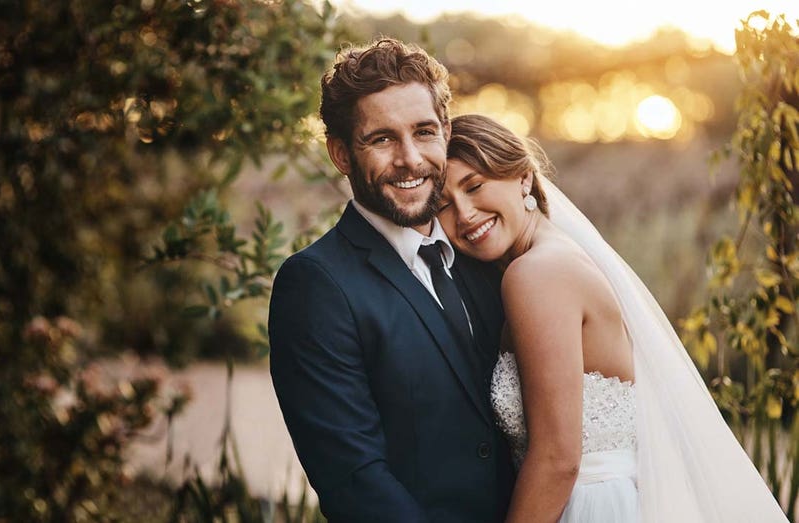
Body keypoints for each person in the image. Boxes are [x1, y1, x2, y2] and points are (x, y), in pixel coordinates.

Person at [438, 113, 789, 522]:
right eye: (444, 205)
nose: (463, 214)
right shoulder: (558, 257)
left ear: (523, 179)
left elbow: (557, 459)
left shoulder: (535, 274)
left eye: (474, 186)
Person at [269, 40, 515, 522]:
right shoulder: (316, 286)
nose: (410, 159)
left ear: (445, 132)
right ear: (341, 153)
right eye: (381, 139)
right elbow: (355, 478)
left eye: (423, 132)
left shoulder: (485, 255)